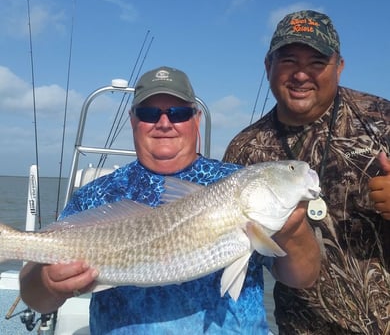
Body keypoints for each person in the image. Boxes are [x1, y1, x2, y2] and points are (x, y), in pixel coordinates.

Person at [19, 65, 320, 334]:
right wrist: (47, 283)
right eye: (150, 114)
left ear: (196, 119)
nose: (164, 123)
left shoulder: (233, 182)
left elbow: (303, 278)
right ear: (133, 120)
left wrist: (293, 232)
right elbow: (35, 296)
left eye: (178, 113)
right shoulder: (95, 196)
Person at [223, 10, 390, 334]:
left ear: (339, 67)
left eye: (316, 62)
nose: (301, 75)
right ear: (268, 66)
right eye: (288, 61)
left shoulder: (382, 121)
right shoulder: (244, 150)